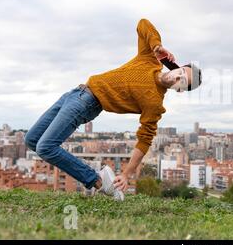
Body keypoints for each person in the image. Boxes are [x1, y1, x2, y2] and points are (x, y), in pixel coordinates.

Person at [24, 18, 202, 200]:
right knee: (32, 139)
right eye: (180, 72)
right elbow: (142, 24)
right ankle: (95, 176)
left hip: (88, 103)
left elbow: (145, 139)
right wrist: (157, 46)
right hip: (75, 93)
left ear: (179, 90)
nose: (176, 77)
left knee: (46, 147)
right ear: (176, 67)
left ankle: (98, 181)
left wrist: (126, 174)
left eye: (182, 81)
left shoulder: (154, 103)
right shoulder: (149, 59)